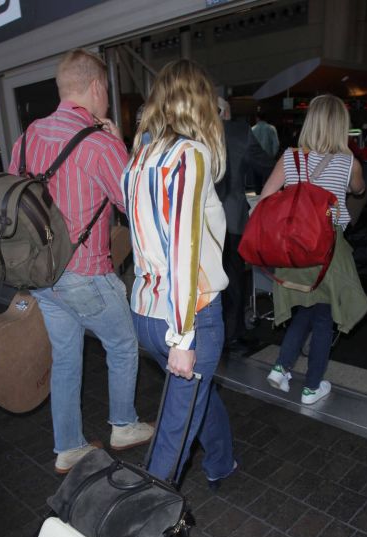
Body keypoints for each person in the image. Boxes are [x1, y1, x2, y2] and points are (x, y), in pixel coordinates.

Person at [8, 49, 153, 475]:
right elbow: (135, 204)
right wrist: (122, 147)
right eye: (106, 90)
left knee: (66, 357)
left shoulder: (27, 137)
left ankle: (68, 447)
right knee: (123, 344)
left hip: (40, 275)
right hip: (86, 274)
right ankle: (123, 425)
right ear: (96, 87)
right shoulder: (99, 142)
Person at [122, 59, 236, 486]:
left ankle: (222, 462)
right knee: (173, 437)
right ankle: (139, 527)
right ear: (200, 103)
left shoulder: (139, 158)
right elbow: (184, 250)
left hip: (146, 312)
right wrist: (184, 337)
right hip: (189, 316)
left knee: (194, 397)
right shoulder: (191, 155)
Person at [262, 94, 367, 405]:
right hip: (327, 251)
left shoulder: (290, 157)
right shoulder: (349, 162)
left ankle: (282, 366)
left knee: (307, 309)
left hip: (295, 250)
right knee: (323, 317)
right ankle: (311, 387)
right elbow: (360, 190)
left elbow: (267, 198)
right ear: (340, 126)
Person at [215, 99, 275, 352]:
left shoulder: (193, 131)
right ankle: (232, 335)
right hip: (230, 217)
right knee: (234, 278)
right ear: (226, 112)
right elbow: (266, 165)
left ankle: (214, 332)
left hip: (198, 220)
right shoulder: (238, 131)